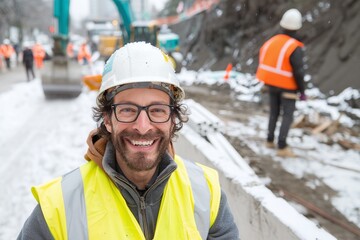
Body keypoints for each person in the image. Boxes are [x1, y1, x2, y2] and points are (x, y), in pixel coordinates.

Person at [17, 42, 239, 239]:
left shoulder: (206, 193)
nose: (142, 127)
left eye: (157, 110)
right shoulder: (59, 206)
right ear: (107, 118)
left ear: (173, 118)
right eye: (127, 110)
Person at [256, 8, 307, 157]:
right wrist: (302, 91)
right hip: (288, 87)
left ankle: (269, 140)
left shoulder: (272, 41)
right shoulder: (294, 46)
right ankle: (282, 146)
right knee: (287, 116)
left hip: (271, 84)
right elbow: (299, 71)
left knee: (274, 112)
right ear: (297, 27)